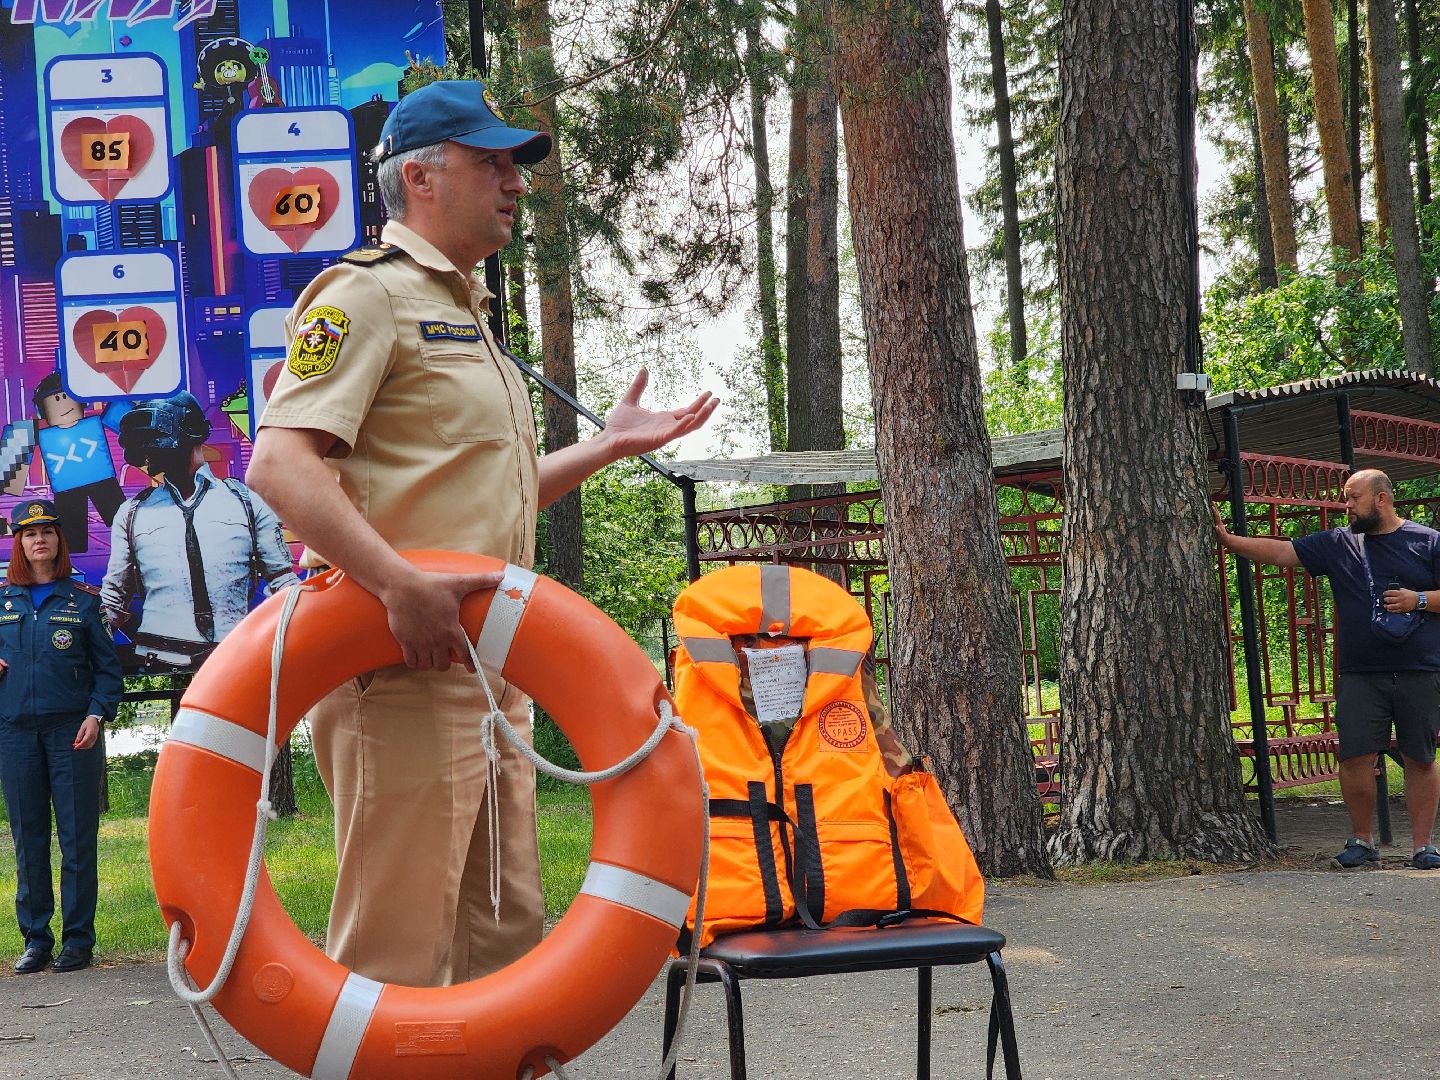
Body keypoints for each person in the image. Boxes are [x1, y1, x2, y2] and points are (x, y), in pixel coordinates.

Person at [246, 78, 716, 988]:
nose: (515, 182)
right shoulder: (364, 296)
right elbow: (281, 466)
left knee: (505, 943)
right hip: (399, 671)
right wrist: (394, 584)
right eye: (492, 162)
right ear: (420, 178)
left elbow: (486, 501)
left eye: (515, 165)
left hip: (491, 672)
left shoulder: (469, 316)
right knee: (399, 948)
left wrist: (607, 448)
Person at [1212, 469, 1440, 870]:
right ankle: (1362, 841)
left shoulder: (1429, 541)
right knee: (1354, 757)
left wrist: (1417, 599)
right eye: (1346, 498)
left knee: (1419, 757)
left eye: (1354, 498)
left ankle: (1424, 846)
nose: (1346, 505)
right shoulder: (1339, 543)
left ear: (1382, 499)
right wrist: (1229, 542)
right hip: (1359, 673)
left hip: (1418, 669)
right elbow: (1284, 552)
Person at [0, 499, 123, 973]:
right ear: (19, 544)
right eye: (30, 534)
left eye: (48, 532)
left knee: (76, 839)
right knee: (28, 839)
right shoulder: (3, 603)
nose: (40, 540)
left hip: (72, 734)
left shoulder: (83, 602)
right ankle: (35, 940)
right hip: (15, 735)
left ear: (59, 541)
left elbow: (108, 673)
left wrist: (97, 716)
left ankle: (77, 940)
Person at [100, 391, 297, 670]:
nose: (153, 456)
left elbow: (283, 582)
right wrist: (77, 647)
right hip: (157, 663)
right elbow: (112, 600)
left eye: (158, 445)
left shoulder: (246, 502)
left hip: (236, 660)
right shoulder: (132, 513)